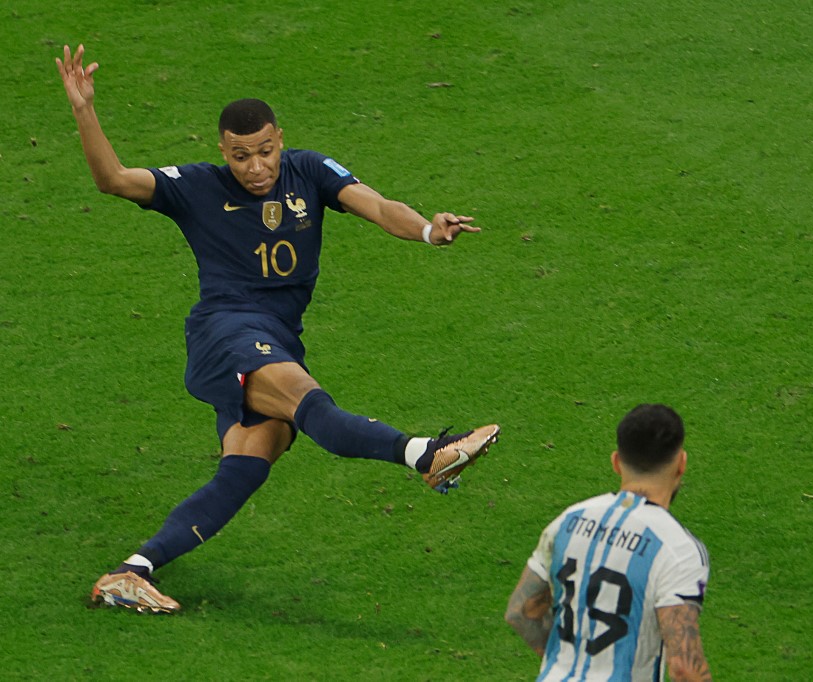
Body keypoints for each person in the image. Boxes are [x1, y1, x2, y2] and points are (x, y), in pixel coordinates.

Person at [56, 44, 500, 614]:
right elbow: (114, 179)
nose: (256, 167)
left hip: (278, 337)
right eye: (241, 156)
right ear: (223, 151)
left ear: (280, 141)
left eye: (265, 152)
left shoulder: (308, 171)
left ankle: (129, 573)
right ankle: (425, 455)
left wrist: (428, 231)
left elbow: (378, 205)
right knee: (309, 401)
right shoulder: (197, 186)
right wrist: (84, 109)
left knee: (244, 469)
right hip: (225, 334)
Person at [505, 404, 711, 681]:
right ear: (682, 463)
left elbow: (521, 612)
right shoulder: (677, 549)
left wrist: (566, 663)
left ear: (616, 462)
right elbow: (685, 667)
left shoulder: (568, 521)